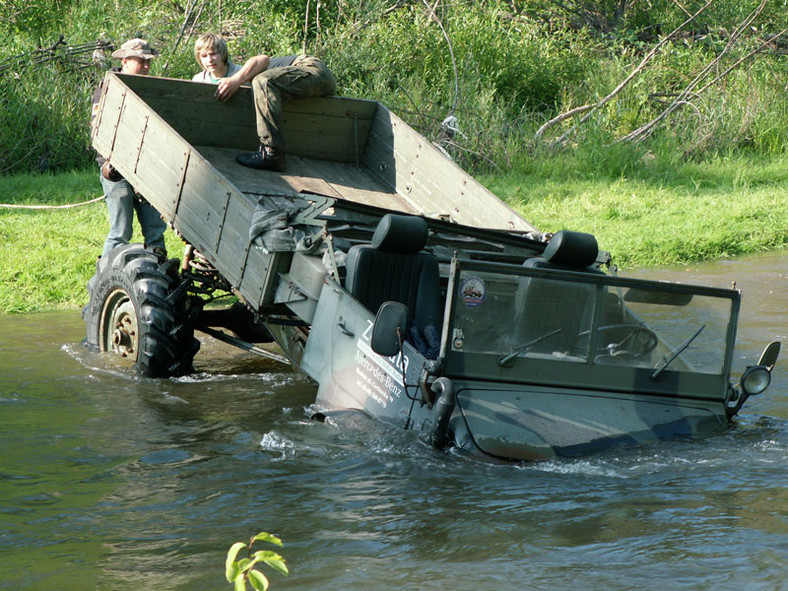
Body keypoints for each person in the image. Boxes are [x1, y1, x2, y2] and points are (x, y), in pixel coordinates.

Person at [192, 33, 336, 172]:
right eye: (204, 56)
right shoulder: (199, 78)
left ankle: (271, 153)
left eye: (213, 54)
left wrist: (235, 80)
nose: (210, 59)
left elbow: (263, 59)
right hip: (312, 84)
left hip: (311, 67)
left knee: (262, 81)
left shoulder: (244, 72)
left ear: (223, 54)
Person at [91, 38, 167, 258]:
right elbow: (98, 127)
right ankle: (104, 282)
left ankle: (159, 277)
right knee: (120, 231)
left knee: (155, 229)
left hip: (145, 169)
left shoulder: (149, 88)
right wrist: (109, 161)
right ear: (125, 61)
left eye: (148, 62)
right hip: (116, 169)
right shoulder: (109, 86)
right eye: (140, 61)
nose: (145, 66)